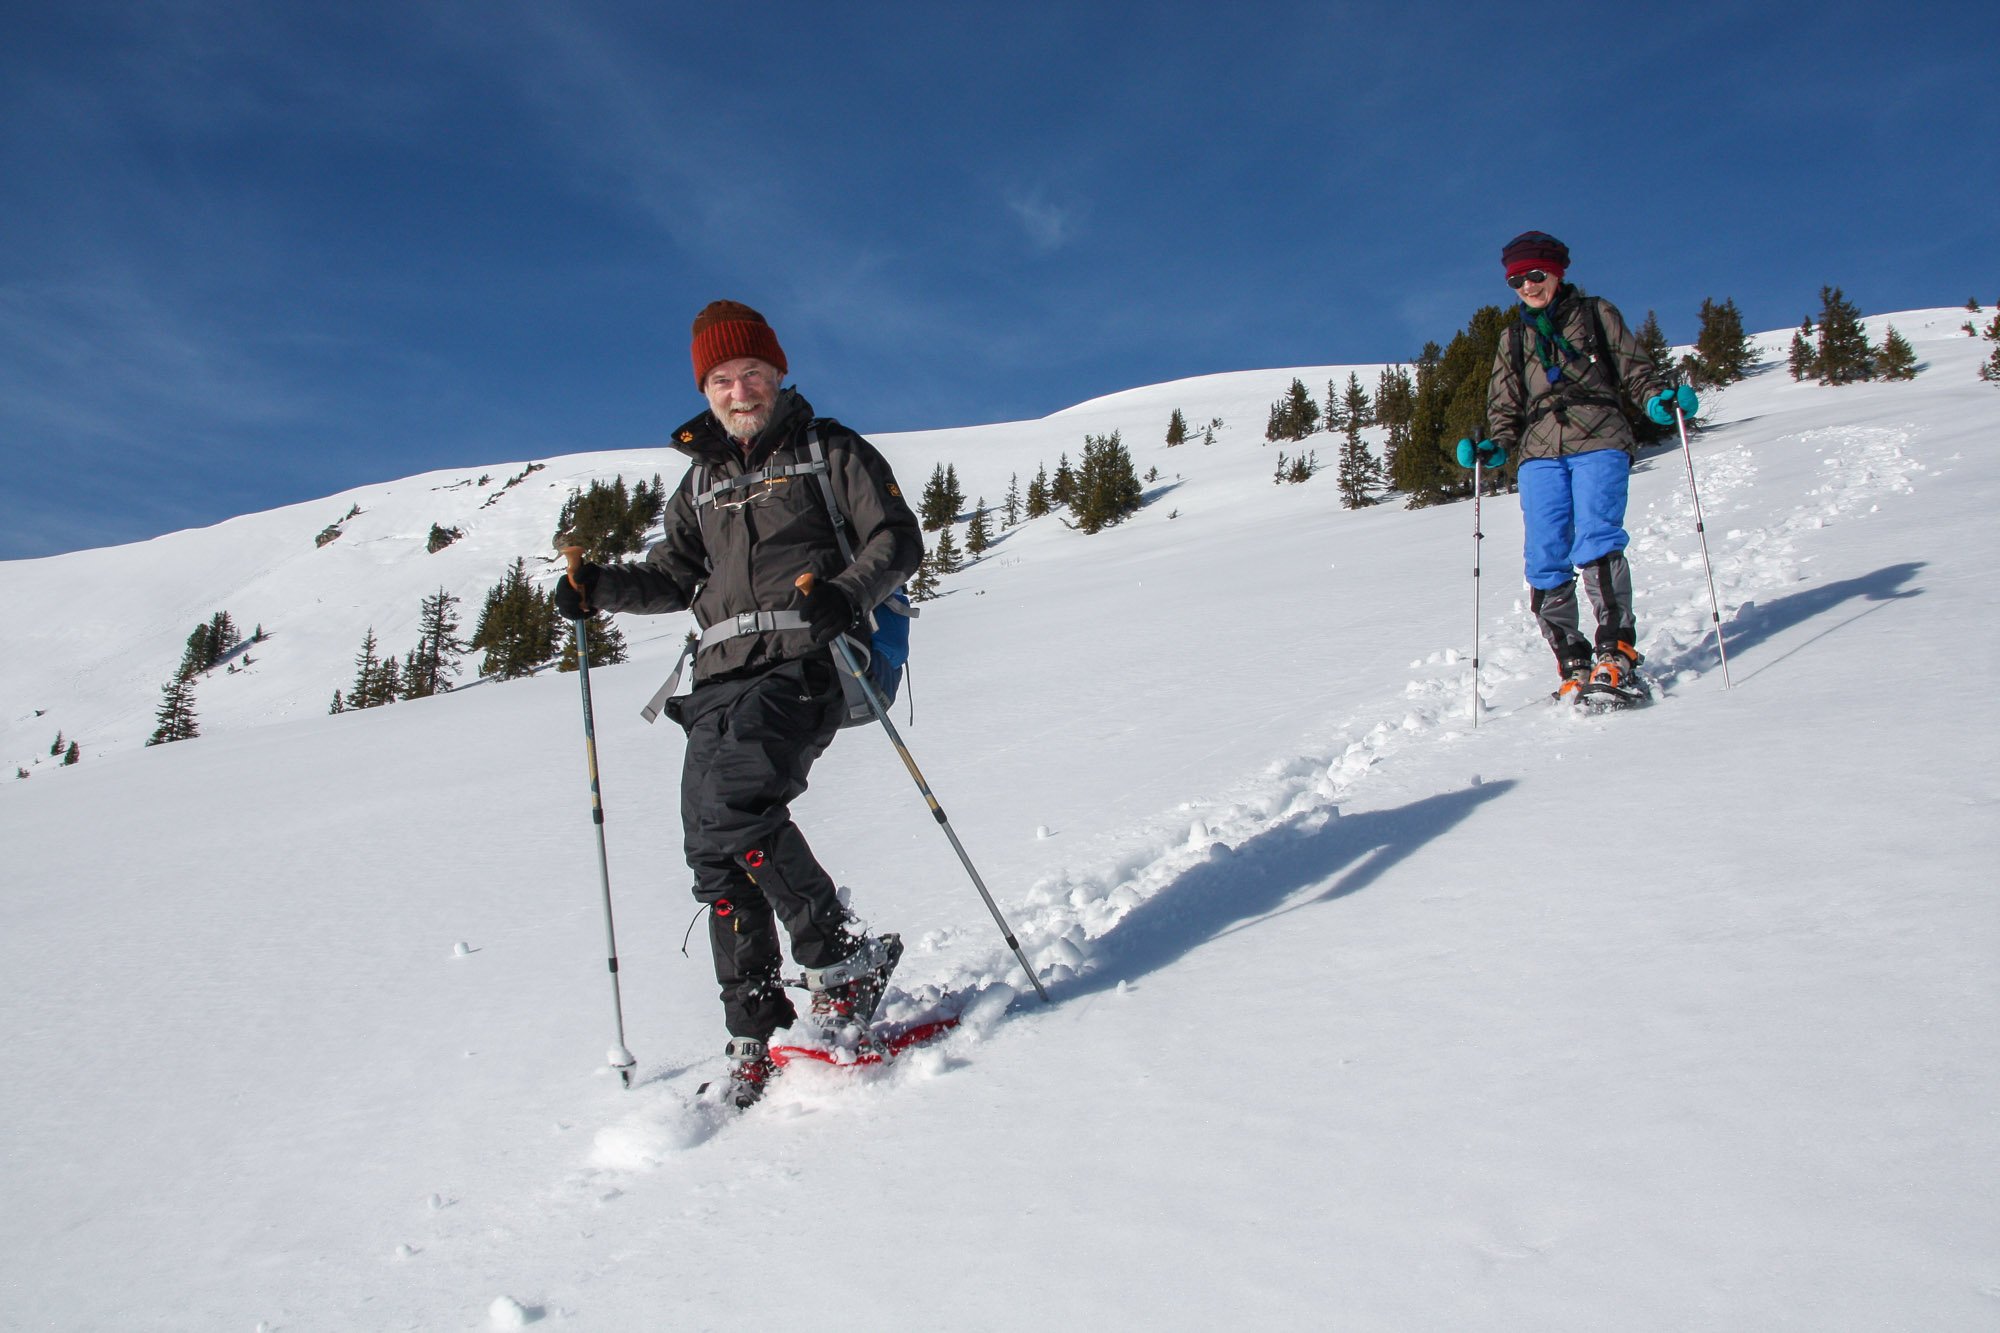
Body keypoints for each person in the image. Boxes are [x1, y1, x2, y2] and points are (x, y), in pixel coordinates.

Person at [555, 300, 924, 1107]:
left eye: (751, 373)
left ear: (777, 373)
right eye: (721, 380)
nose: (738, 390)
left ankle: (841, 958)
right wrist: (599, 588)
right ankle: (752, 1025)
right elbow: (673, 578)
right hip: (718, 676)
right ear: (706, 390)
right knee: (712, 850)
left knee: (735, 804)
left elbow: (897, 539)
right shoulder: (701, 484)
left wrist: (846, 593)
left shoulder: (830, 451)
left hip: (808, 659)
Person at [1475, 231, 1695, 704]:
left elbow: (1634, 369)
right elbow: (1504, 403)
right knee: (1544, 556)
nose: (1528, 286)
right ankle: (1571, 659)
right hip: (1539, 450)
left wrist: (1656, 400)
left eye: (1536, 274)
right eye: (1516, 280)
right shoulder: (1513, 338)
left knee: (1596, 539)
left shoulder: (1597, 314)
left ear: (1557, 272)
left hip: (1600, 436)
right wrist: (1496, 444)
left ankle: (1616, 651)